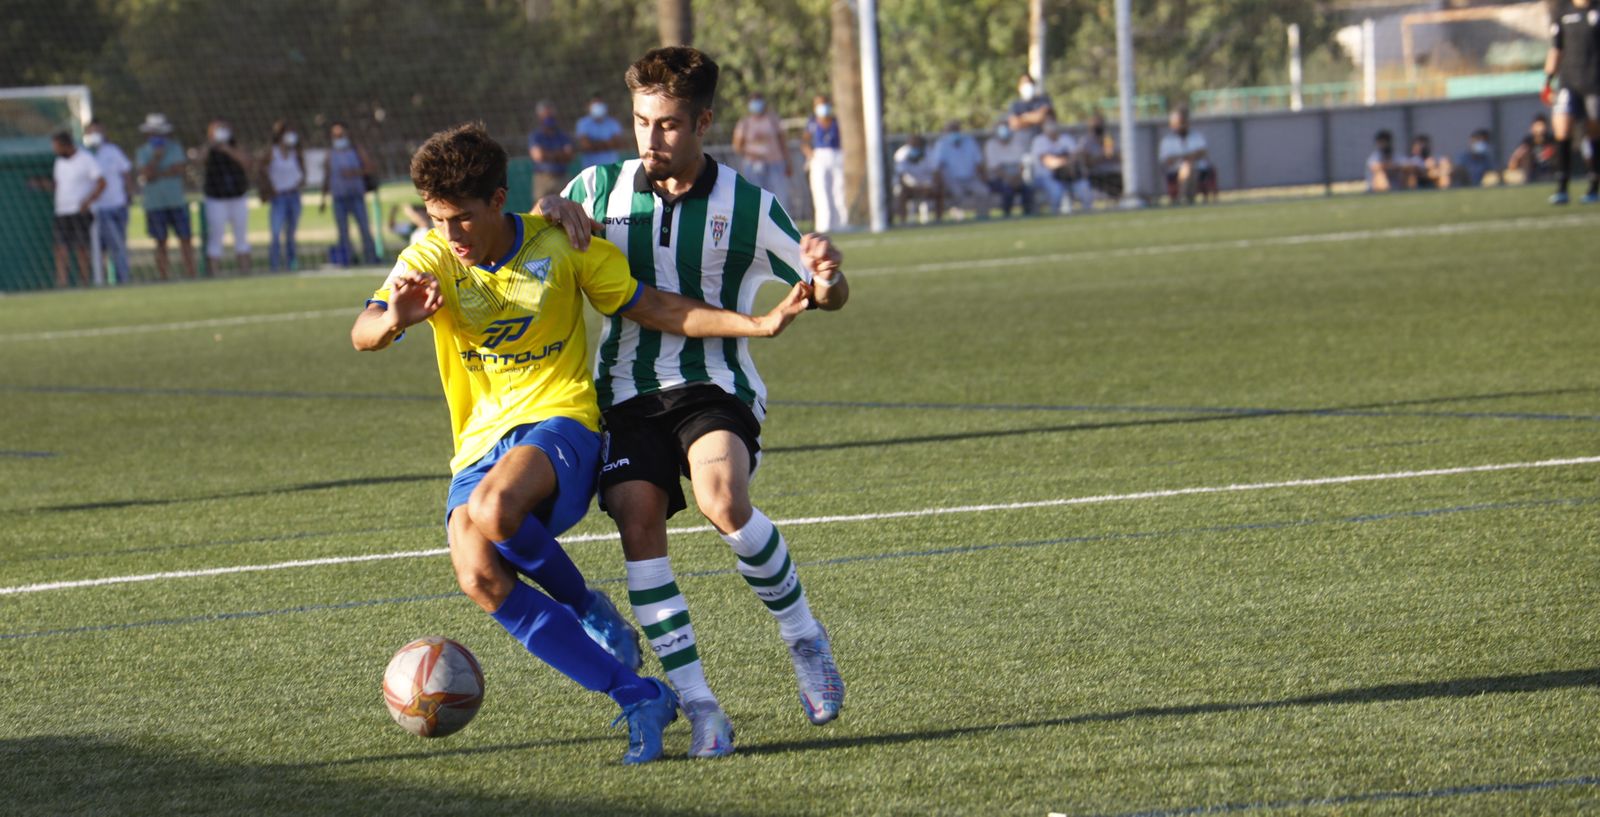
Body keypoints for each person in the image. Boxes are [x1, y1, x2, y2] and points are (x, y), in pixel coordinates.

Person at [351, 122, 810, 766]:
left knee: (493, 509)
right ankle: (637, 696)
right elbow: (363, 331)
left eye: (460, 219)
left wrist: (756, 325)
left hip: (560, 424)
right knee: (477, 574)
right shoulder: (428, 257)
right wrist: (394, 318)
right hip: (477, 445)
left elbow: (652, 306)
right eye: (436, 219)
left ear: (495, 201)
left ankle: (586, 605)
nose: (449, 235)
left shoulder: (560, 244)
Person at [533, 46, 849, 760]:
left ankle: (803, 635)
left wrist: (826, 277)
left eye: (670, 124)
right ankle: (702, 704)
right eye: (643, 121)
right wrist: (547, 209)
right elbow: (529, 241)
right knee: (638, 517)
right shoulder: (597, 189)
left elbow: (824, 285)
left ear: (703, 122)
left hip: (715, 385)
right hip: (624, 393)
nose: (652, 139)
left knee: (721, 496)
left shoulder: (748, 205)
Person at [1541, 0, 1600, 204]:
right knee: (1562, 130)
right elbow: (1556, 48)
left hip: (1595, 83)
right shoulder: (1563, 12)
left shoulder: (1596, 10)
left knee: (1592, 133)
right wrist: (1548, 81)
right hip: (1568, 83)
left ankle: (1593, 185)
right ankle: (1562, 187)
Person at [134, 113, 197, 280]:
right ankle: (163, 277)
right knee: (160, 241)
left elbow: (179, 169)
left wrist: (156, 173)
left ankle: (191, 273)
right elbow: (145, 175)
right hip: (154, 203)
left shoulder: (175, 147)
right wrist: (157, 159)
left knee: (185, 239)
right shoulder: (142, 151)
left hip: (176, 201)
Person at [47, 131, 105, 288]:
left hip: (80, 211)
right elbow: (59, 185)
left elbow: (101, 183)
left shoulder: (86, 159)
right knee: (60, 247)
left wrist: (88, 202)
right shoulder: (59, 162)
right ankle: (62, 282)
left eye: (57, 146)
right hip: (62, 211)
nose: (55, 150)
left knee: (81, 247)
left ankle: (85, 281)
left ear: (66, 145)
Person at [320, 121, 379, 266]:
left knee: (364, 228)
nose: (338, 137)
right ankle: (348, 258)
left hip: (356, 195)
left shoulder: (356, 149)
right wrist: (323, 198)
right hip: (339, 197)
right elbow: (327, 176)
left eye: (341, 134)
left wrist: (353, 172)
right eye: (335, 134)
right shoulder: (330, 153)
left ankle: (371, 257)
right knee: (343, 232)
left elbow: (370, 167)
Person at [201, 118, 253, 274]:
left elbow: (247, 162)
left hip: (237, 197)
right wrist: (212, 145)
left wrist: (227, 149)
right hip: (216, 199)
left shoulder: (235, 147)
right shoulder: (209, 150)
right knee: (216, 236)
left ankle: (245, 271)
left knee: (241, 236)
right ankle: (214, 273)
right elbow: (198, 159)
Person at [83, 120, 133, 284]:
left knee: (120, 245)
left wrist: (129, 194)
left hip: (118, 205)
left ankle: (121, 280)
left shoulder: (113, 151)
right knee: (107, 247)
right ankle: (109, 280)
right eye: (92, 131)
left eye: (99, 131)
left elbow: (125, 173)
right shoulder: (83, 154)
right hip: (98, 209)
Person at [732, 91, 792, 212]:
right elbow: (737, 146)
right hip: (753, 165)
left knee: (780, 196)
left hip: (775, 163)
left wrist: (788, 161)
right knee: (756, 197)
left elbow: (782, 142)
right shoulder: (745, 123)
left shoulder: (773, 119)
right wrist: (751, 153)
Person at [261, 120, 306, 272]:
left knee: (291, 233)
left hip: (293, 195)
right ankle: (274, 265)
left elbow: (302, 171)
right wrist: (268, 189)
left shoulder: (296, 152)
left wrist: (300, 182)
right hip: (279, 197)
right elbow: (262, 170)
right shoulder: (272, 152)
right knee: (276, 233)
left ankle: (291, 264)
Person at [801, 93, 848, 232]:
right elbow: (804, 141)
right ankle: (824, 226)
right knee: (821, 192)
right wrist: (810, 154)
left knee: (839, 191)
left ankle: (841, 224)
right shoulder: (812, 123)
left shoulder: (835, 121)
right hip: (819, 156)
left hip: (836, 155)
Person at [931, 119, 991, 219]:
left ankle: (982, 217)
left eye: (956, 130)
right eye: (951, 130)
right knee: (957, 193)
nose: (954, 133)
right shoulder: (942, 145)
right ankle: (959, 218)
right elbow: (937, 166)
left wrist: (983, 176)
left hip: (971, 178)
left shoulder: (970, 142)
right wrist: (939, 182)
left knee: (983, 192)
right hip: (952, 180)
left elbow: (978, 162)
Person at [1159, 107, 1216, 205]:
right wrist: (1187, 157)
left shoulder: (1196, 136)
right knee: (1187, 167)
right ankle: (1187, 198)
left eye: (1183, 122)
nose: (1182, 125)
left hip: (1199, 168)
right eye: (1179, 123)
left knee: (1189, 167)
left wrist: (1186, 158)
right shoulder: (1167, 141)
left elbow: (1202, 152)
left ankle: (1184, 198)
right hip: (1176, 171)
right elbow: (1167, 159)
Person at [1030, 118, 1080, 214]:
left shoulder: (1066, 138)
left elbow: (1076, 156)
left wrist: (1066, 163)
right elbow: (1049, 162)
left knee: (1084, 189)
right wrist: (1066, 162)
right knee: (1056, 191)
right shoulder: (1039, 141)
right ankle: (1055, 214)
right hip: (1046, 177)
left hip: (1068, 174)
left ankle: (1086, 214)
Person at [983, 123, 1034, 217]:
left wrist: (1018, 177)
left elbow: (1021, 164)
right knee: (1007, 190)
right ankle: (1007, 215)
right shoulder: (991, 145)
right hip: (999, 178)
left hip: (1016, 177)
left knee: (1027, 189)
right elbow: (995, 168)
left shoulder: (1017, 143)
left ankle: (1028, 214)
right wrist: (1008, 179)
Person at [527, 100, 574, 199]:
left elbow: (569, 155)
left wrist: (548, 154)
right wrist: (559, 155)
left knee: (566, 208)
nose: (549, 117)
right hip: (543, 179)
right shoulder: (536, 136)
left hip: (562, 177)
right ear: (539, 116)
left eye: (551, 113)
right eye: (546, 114)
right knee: (541, 210)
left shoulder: (562, 135)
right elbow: (538, 156)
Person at [894, 133, 943, 223]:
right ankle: (903, 222)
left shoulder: (930, 153)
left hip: (927, 185)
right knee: (901, 195)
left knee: (939, 191)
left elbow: (936, 173)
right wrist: (911, 187)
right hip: (909, 186)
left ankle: (938, 220)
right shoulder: (902, 154)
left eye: (917, 144)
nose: (914, 146)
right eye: (912, 144)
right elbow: (901, 176)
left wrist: (931, 186)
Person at [1079, 112, 1123, 203]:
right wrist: (1100, 157)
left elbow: (1117, 156)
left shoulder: (1108, 139)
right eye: (1096, 124)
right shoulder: (1086, 141)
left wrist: (1110, 154)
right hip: (1096, 175)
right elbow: (1087, 162)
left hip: (1111, 172)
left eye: (1100, 123)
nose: (1098, 127)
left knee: (1119, 180)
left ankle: (1119, 202)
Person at [575, 93, 625, 169]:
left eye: (600, 104)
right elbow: (586, 145)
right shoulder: (583, 123)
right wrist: (607, 144)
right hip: (591, 169)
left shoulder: (613, 123)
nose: (598, 106)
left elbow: (618, 144)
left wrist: (594, 144)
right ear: (589, 106)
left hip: (611, 168)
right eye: (595, 104)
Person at [1507, 113, 1558, 183]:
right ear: (1533, 127)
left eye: (1542, 125)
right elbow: (1514, 160)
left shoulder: (1551, 140)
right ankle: (1529, 178)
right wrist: (1516, 158)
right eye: (1538, 126)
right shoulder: (1528, 141)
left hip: (1550, 171)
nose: (1540, 129)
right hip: (1533, 172)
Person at [1006, 73, 1055, 145]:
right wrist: (1032, 118)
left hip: (1043, 142)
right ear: (1019, 87)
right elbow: (1014, 124)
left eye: (1029, 83)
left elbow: (1040, 117)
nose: (1027, 86)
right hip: (1022, 145)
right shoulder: (1015, 105)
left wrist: (1022, 118)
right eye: (1024, 83)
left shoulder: (1043, 100)